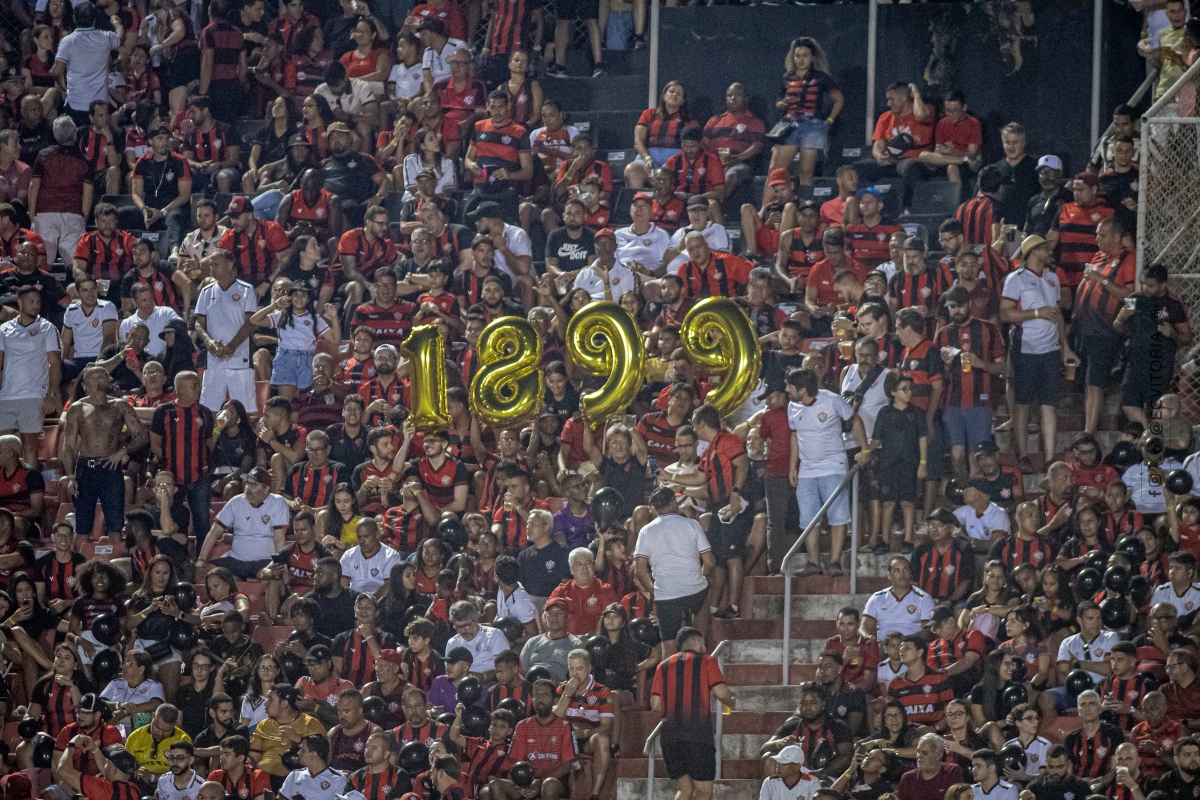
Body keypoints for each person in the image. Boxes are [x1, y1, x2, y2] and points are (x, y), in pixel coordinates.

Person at [1001, 236, 1077, 474]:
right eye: (1044, 248)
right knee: (1022, 403)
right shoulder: (1016, 279)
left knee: (1049, 404)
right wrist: (1036, 313)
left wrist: (1065, 347)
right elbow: (1005, 313)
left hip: (1050, 350)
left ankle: (1050, 458)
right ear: (1033, 252)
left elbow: (1057, 314)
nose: (1049, 252)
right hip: (1026, 348)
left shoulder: (1052, 277)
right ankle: (1023, 455)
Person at [786, 368, 867, 577]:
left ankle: (835, 561)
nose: (787, 390)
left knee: (838, 516)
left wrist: (864, 450)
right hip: (806, 471)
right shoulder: (792, 406)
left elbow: (855, 420)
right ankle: (813, 562)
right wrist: (793, 466)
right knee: (809, 518)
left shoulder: (832, 400)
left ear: (803, 390)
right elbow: (794, 436)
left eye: (790, 386)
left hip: (833, 467)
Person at [59, 365, 148, 541]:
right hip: (85, 469)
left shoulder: (120, 405)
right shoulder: (77, 408)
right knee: (82, 527)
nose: (111, 378)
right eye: (105, 375)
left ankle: (116, 557)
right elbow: (68, 447)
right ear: (92, 382)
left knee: (115, 525)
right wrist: (70, 476)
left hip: (110, 469)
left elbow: (141, 435)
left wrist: (122, 451)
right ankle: (81, 558)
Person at [651, 627, 735, 800]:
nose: (704, 646)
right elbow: (721, 694)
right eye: (703, 642)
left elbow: (655, 705)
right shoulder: (707, 661)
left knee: (684, 790)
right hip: (698, 736)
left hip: (669, 738)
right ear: (696, 641)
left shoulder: (663, 665)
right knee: (703, 791)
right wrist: (731, 702)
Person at [632, 487, 713, 656]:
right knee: (704, 595)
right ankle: (698, 640)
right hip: (695, 589)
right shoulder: (692, 524)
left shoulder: (646, 531)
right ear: (674, 503)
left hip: (666, 594)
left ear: (654, 508)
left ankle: (670, 673)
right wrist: (701, 576)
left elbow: (640, 571)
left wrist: (655, 592)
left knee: (668, 646)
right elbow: (709, 562)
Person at [1115, 263, 1192, 428]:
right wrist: (1121, 317)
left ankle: (1155, 436)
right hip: (1135, 362)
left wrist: (1172, 333)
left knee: (1157, 407)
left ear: (1163, 285)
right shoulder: (1135, 298)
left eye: (1150, 285)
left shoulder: (1173, 304)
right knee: (1128, 402)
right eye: (1143, 284)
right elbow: (1118, 327)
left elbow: (1187, 337)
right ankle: (1146, 432)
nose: (1145, 288)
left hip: (1159, 365)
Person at [0, 286, 60, 464]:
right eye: (31, 301)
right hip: (6, 396)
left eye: (38, 302)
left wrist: (51, 393)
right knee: (3, 448)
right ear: (20, 303)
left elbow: (55, 363)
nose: (36, 305)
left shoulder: (47, 328)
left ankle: (31, 481)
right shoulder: (4, 329)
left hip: (33, 395)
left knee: (29, 447)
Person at [197, 467, 290, 580]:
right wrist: (201, 559)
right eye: (247, 484)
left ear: (266, 488)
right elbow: (214, 532)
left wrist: (279, 564)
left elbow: (279, 539)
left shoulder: (277, 502)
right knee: (202, 573)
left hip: (264, 562)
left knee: (272, 576)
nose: (248, 488)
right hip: (235, 560)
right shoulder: (235, 501)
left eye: (253, 485)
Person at [51, 3, 122, 125]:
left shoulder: (68, 41)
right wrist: (116, 23)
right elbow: (120, 37)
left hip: (75, 104)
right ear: (94, 19)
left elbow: (56, 71)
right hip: (100, 107)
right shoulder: (106, 37)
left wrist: (64, 87)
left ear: (74, 18)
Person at [132, 126, 193, 259]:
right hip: (150, 208)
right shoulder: (142, 162)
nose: (164, 142)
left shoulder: (179, 161)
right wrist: (143, 210)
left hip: (174, 207)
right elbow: (136, 194)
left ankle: (174, 251)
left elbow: (184, 196)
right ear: (151, 141)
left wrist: (163, 212)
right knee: (122, 214)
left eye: (166, 138)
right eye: (160, 139)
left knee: (173, 217)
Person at [862, 556, 934, 640]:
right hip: (883, 645)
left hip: (911, 645)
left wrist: (904, 641)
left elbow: (927, 631)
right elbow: (864, 626)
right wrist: (866, 636)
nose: (902, 574)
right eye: (897, 570)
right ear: (889, 575)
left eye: (905, 570)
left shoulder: (924, 598)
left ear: (910, 573)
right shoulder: (877, 598)